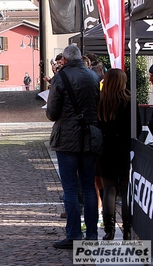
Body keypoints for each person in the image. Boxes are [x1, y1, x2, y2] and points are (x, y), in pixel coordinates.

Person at [46, 45, 100, 249]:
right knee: (88, 187)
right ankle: (93, 234)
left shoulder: (60, 78)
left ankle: (74, 235)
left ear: (65, 60)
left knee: (70, 188)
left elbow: (52, 112)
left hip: (67, 138)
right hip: (89, 138)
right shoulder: (93, 76)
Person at [97, 68, 142, 240]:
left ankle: (109, 230)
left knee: (109, 190)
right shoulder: (129, 101)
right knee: (125, 191)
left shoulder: (101, 101)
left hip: (106, 149)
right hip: (124, 149)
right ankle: (128, 229)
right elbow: (136, 128)